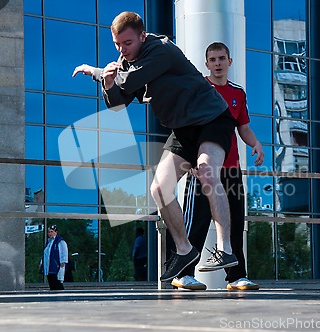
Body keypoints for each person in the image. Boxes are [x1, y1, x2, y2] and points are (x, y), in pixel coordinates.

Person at [73, 11, 238, 282]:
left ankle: (225, 249)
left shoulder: (161, 49)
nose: (122, 50)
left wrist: (97, 72)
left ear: (142, 36)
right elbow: (117, 103)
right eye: (117, 44)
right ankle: (185, 250)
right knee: (159, 188)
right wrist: (108, 81)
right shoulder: (127, 63)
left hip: (212, 118)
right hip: (184, 129)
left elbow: (130, 82)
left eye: (127, 43)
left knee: (207, 170)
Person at [168, 42, 264, 291]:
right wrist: (187, 158)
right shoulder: (199, 88)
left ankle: (236, 276)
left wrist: (256, 144)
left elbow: (242, 127)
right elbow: (184, 125)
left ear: (229, 61)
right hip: (201, 168)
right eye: (213, 59)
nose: (218, 63)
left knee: (234, 222)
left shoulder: (238, 93)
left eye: (222, 58)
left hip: (231, 168)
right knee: (196, 222)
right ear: (207, 63)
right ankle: (183, 274)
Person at [40, 225, 68, 290]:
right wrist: (42, 262)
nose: (50, 234)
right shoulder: (49, 242)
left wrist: (63, 261)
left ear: (56, 232)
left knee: (57, 281)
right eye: (49, 232)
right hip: (48, 265)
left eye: (51, 232)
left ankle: (60, 294)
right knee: (51, 280)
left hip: (56, 265)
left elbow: (64, 251)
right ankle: (53, 292)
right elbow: (45, 253)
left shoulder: (60, 241)